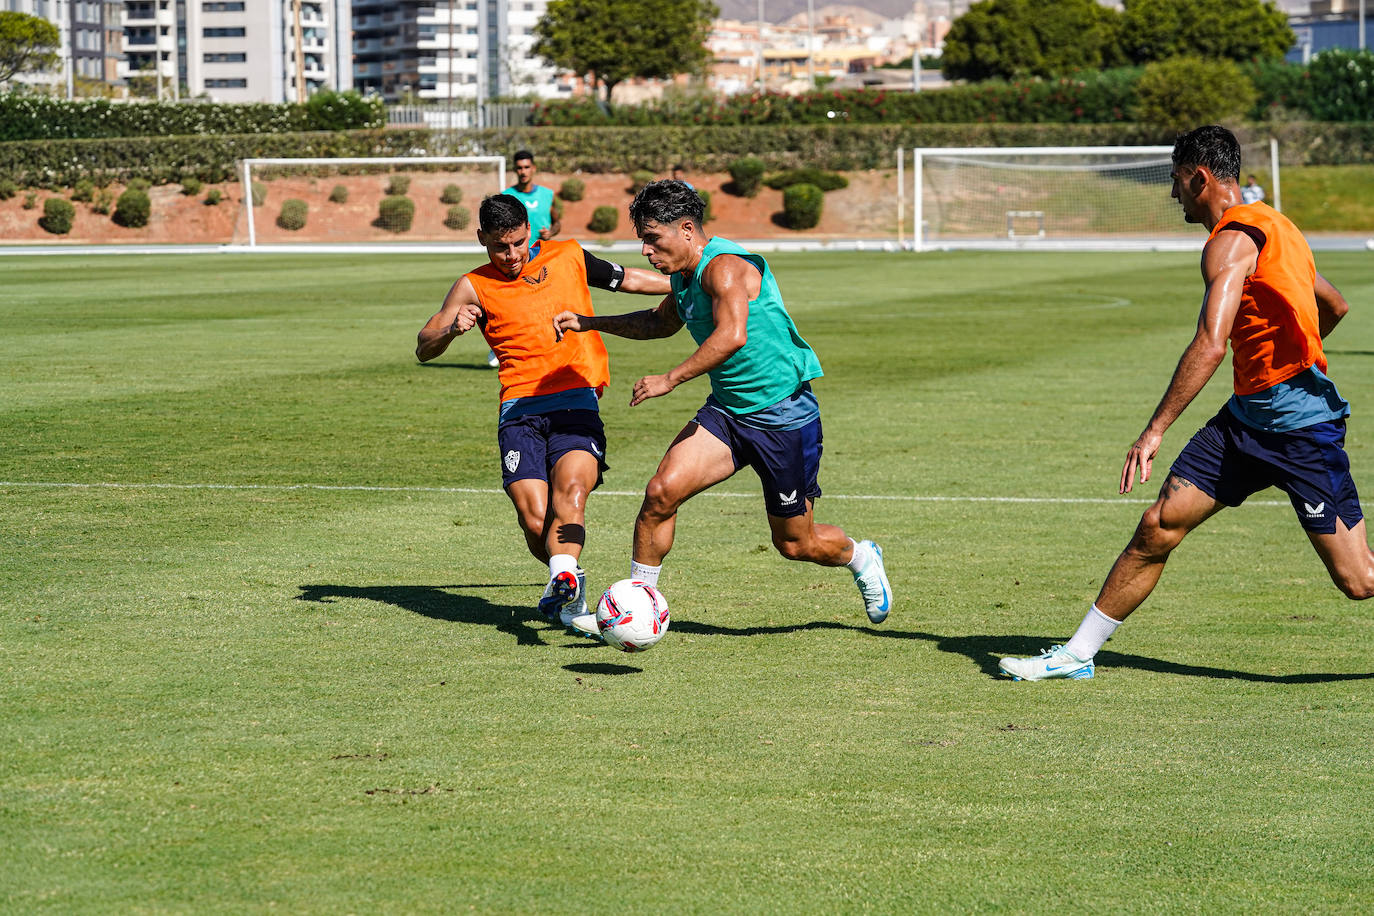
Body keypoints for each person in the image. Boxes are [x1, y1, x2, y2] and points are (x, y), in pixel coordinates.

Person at [999, 124, 1368, 682]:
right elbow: (1334, 307)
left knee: (1358, 581)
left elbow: (1210, 343)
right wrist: (1288, 358)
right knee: (1157, 527)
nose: (1174, 196)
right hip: (1244, 422)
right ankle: (1077, 654)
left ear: (1200, 176)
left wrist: (1154, 431)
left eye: (1175, 183)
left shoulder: (1229, 242)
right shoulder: (1278, 227)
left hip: (1301, 431)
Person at [553, 180, 892, 630]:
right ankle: (636, 605)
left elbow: (733, 335)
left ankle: (861, 556)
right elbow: (659, 322)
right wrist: (590, 322)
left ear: (687, 229)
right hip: (728, 414)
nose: (645, 251)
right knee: (660, 493)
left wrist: (670, 379)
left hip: (782, 417)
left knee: (796, 543)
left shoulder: (724, 268)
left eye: (653, 238)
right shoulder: (683, 276)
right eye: (643, 240)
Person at [416, 194, 670, 631]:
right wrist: (451, 329)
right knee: (535, 519)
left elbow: (626, 279)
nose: (511, 255)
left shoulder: (567, 255)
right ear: (481, 239)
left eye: (517, 243)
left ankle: (564, 580)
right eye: (500, 247)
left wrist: (687, 281)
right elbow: (424, 347)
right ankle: (569, 580)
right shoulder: (472, 285)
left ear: (528, 232)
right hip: (519, 407)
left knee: (571, 490)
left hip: (576, 397)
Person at [479, 150, 563, 370]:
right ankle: (501, 344)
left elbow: (557, 221)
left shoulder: (547, 195)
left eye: (527, 167)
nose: (523, 171)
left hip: (539, 256)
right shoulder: (507, 196)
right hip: (512, 260)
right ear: (515, 170)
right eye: (519, 168)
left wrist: (551, 233)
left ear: (533, 168)